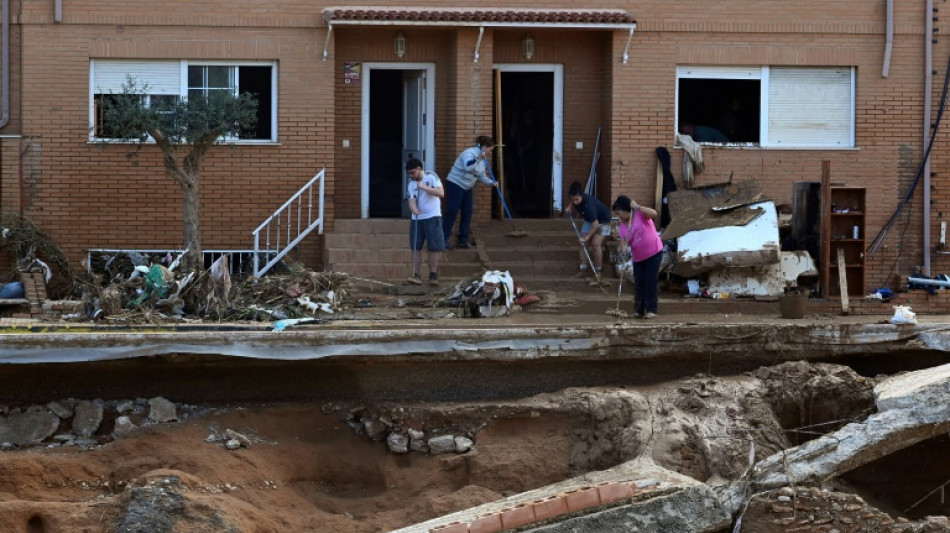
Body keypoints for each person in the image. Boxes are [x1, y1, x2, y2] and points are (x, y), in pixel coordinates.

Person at [442, 136, 499, 250]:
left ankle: (463, 240)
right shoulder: (469, 153)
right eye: (490, 149)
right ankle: (442, 239)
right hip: (455, 184)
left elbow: (481, 175)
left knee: (467, 212)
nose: (490, 152)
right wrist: (478, 158)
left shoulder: (483, 159)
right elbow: (468, 167)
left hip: (467, 187)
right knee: (452, 211)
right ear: (484, 147)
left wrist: (491, 183)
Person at [612, 195, 663, 319]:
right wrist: (623, 248)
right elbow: (623, 240)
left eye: (619, 213)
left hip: (654, 252)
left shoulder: (640, 214)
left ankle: (651, 310)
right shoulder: (622, 225)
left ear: (626, 209)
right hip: (638, 257)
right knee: (639, 282)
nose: (619, 216)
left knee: (650, 280)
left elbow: (654, 213)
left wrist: (637, 207)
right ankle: (639, 310)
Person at [405, 158, 445, 286]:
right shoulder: (411, 184)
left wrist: (424, 188)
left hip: (432, 216)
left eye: (413, 172)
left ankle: (433, 274)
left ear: (419, 169)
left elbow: (441, 193)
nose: (411, 176)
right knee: (415, 247)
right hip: (417, 218)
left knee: (433, 247)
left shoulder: (431, 176)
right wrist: (413, 208)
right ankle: (416, 274)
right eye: (409, 173)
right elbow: (411, 200)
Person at [565, 180, 611, 274]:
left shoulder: (588, 206)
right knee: (583, 243)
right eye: (573, 200)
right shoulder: (575, 198)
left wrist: (587, 237)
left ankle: (598, 271)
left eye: (577, 199)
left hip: (604, 221)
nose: (575, 202)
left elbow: (595, 225)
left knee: (595, 244)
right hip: (590, 219)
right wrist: (570, 206)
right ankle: (583, 269)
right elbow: (573, 200)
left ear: (581, 196)